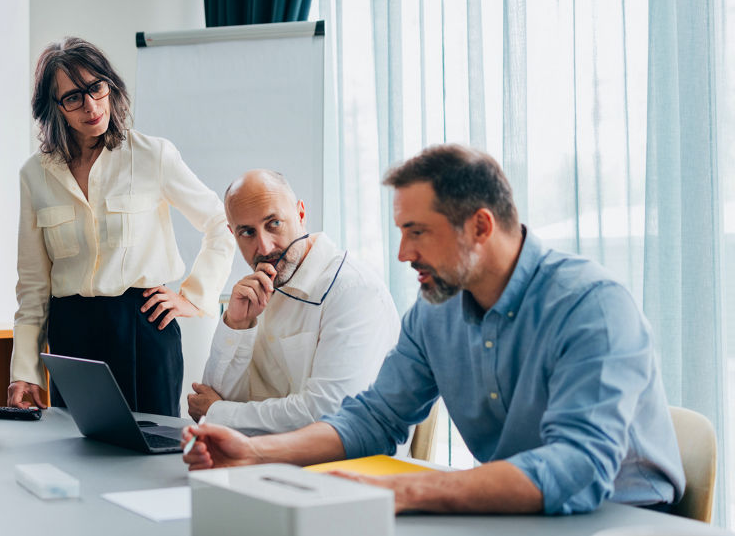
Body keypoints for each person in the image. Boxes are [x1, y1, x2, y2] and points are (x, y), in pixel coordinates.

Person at [183, 144, 685, 516]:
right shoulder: (434, 312)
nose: (404, 254)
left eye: (417, 232)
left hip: (624, 523)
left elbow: (576, 468)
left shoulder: (592, 306)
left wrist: (413, 491)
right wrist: (254, 450)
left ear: (480, 227)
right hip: (522, 516)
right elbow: (372, 420)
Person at [8, 37, 234, 417]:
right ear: (55, 106)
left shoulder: (152, 155)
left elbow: (220, 222)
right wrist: (24, 370)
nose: (91, 105)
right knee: (74, 445)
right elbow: (32, 286)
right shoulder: (34, 174)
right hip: (71, 334)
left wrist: (194, 297)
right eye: (73, 97)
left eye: (96, 87)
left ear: (110, 85)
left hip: (143, 327)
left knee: (152, 444)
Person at [187, 169, 399, 433]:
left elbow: (329, 416)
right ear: (233, 234)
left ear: (300, 214)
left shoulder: (353, 291)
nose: (265, 248)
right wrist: (236, 324)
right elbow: (209, 399)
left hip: (351, 458)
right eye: (247, 232)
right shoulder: (259, 291)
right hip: (264, 454)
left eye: (274, 223)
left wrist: (220, 413)